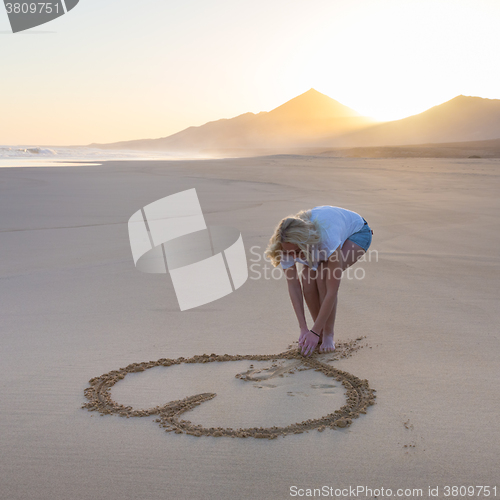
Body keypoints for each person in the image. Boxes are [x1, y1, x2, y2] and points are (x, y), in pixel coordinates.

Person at [264, 205, 373, 357]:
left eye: (296, 252)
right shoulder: (286, 245)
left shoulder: (327, 240)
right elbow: (294, 287)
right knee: (307, 280)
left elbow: (332, 291)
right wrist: (304, 328)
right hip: (317, 241)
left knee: (323, 276)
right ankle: (319, 331)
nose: (293, 257)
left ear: (305, 243)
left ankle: (327, 334)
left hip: (357, 233)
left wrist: (313, 331)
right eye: (289, 252)